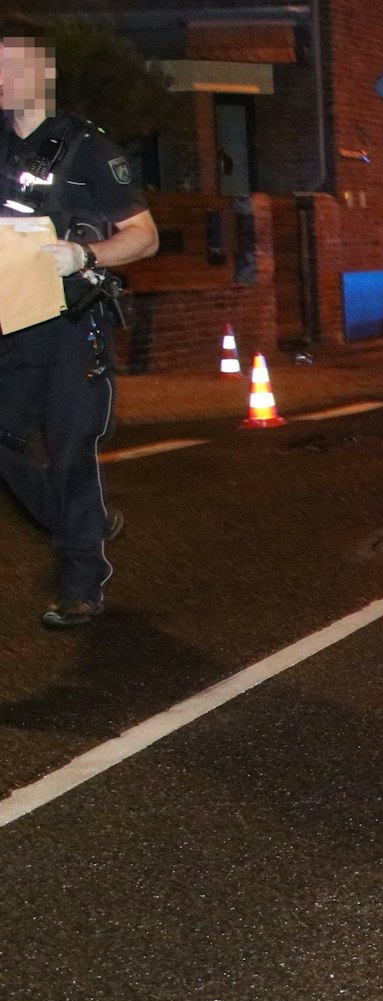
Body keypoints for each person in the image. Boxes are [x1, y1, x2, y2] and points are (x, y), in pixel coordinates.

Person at [0, 27, 158, 627]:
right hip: (10, 320)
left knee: (70, 451)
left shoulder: (85, 146)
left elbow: (145, 235)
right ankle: (77, 522)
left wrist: (85, 255)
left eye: (15, 67)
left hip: (70, 322)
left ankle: (81, 579)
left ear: (44, 74)